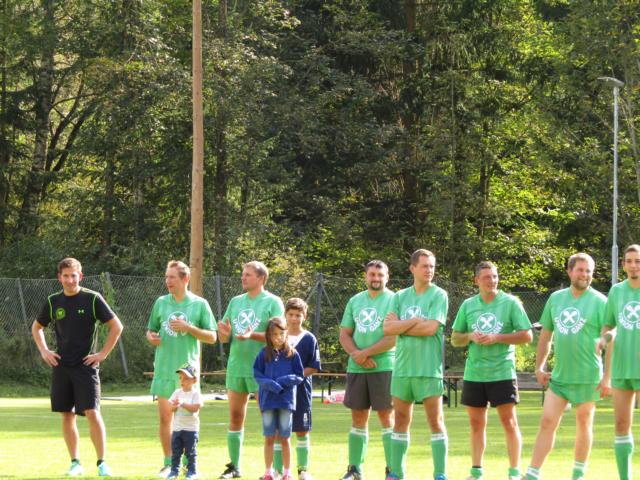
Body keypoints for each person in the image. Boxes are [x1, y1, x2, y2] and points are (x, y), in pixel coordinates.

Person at [31, 257, 123, 477]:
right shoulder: (53, 301)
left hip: (85, 367)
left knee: (92, 412)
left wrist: (102, 354)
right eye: (66, 276)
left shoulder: (92, 298)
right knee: (67, 414)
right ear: (59, 277)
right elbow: (36, 327)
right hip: (62, 366)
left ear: (80, 276)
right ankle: (75, 463)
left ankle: (102, 463)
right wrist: (44, 351)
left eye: (73, 275)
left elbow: (116, 326)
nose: (70, 280)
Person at [524, 253, 610, 480]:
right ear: (570, 271)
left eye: (589, 271)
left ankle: (578, 474)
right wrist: (539, 367)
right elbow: (545, 337)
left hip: (588, 377)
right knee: (547, 422)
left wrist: (607, 377)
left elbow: (610, 342)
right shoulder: (556, 299)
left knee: (584, 423)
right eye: (580, 270)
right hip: (560, 377)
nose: (585, 275)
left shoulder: (600, 302)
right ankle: (532, 474)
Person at [451, 261, 532, 480]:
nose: (492, 280)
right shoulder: (468, 305)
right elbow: (455, 338)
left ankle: (514, 473)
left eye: (495, 276)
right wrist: (470, 336)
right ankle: (476, 472)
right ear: (476, 280)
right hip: (474, 374)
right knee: (476, 424)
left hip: (502, 372)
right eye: (487, 277)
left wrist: (497, 337)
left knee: (509, 422)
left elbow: (527, 335)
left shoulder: (510, 303)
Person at [146, 260, 217, 478]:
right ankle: (169, 464)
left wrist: (189, 328)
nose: (168, 281)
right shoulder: (161, 302)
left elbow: (212, 337)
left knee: (187, 420)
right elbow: (150, 330)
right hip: (164, 369)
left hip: (187, 373)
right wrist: (152, 337)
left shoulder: (199, 304)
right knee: (166, 419)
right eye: (166, 277)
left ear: (185, 279)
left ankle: (189, 465)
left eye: (172, 277)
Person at [383, 249, 449, 480]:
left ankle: (440, 474)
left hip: (429, 370)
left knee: (435, 421)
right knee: (400, 420)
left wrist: (401, 326)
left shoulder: (439, 295)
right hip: (402, 370)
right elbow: (387, 328)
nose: (429, 270)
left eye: (432, 266)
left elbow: (431, 328)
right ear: (412, 268)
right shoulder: (399, 297)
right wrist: (413, 321)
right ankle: (396, 474)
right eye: (424, 266)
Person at [217, 261, 285, 478]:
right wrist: (224, 333)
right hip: (237, 367)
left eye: (248, 274)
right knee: (235, 417)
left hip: (264, 369)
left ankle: (276, 470)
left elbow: (279, 337)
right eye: (243, 274)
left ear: (261, 278)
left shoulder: (273, 302)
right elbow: (225, 336)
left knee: (269, 420)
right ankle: (234, 467)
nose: (243, 278)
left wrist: (252, 335)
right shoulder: (235, 302)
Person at [338, 260, 396, 480]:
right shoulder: (355, 300)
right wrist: (357, 355)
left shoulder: (394, 300)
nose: (376, 278)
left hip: (385, 367)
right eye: (372, 274)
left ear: (387, 277)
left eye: (380, 275)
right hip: (357, 368)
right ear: (365, 276)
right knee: (358, 418)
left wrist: (366, 353)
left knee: (386, 418)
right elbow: (345, 334)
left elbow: (393, 338)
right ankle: (354, 469)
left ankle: (392, 470)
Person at [599, 244, 640, 480]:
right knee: (621, 424)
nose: (634, 266)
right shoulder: (616, 291)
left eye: (638, 261)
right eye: (629, 261)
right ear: (623, 264)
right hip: (621, 368)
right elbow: (609, 325)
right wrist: (604, 338)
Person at [253, 317, 305, 480]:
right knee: (269, 437)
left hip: (285, 402)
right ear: (269, 336)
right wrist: (271, 385)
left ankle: (287, 472)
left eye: (281, 334)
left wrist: (284, 381)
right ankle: (268, 472)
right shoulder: (263, 354)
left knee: (285, 438)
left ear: (286, 333)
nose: (278, 337)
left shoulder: (293, 354)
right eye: (274, 334)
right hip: (268, 401)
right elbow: (257, 375)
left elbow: (299, 375)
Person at [279, 297, 321, 480]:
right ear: (285, 315)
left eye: (298, 315)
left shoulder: (309, 338)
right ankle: (278, 470)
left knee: (302, 430)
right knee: (279, 430)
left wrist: (295, 377)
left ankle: (303, 470)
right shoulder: (278, 336)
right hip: (280, 391)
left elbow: (314, 366)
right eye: (291, 314)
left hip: (301, 391)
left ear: (305, 316)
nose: (294, 318)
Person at [167, 363, 204, 480]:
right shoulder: (177, 392)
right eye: (181, 378)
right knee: (176, 452)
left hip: (191, 429)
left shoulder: (195, 394)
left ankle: (192, 471)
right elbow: (170, 408)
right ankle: (174, 472)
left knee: (190, 453)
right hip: (177, 428)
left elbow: (195, 408)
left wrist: (183, 403)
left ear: (194, 380)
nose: (182, 381)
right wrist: (175, 405)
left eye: (186, 378)